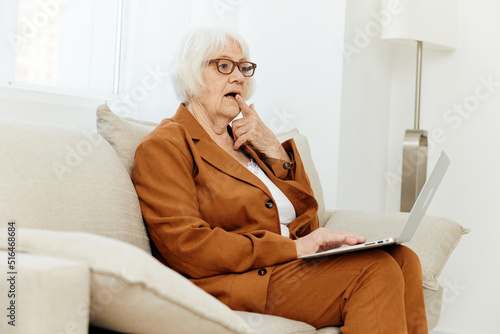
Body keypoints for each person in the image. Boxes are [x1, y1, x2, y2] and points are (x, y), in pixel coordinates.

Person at [131, 27, 428, 333]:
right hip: (232, 282)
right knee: (375, 270)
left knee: (404, 259)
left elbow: (307, 223)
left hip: (283, 268)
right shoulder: (166, 146)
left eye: (244, 67)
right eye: (223, 66)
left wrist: (273, 147)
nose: (239, 77)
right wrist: (293, 249)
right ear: (191, 75)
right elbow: (187, 247)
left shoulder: (245, 141)